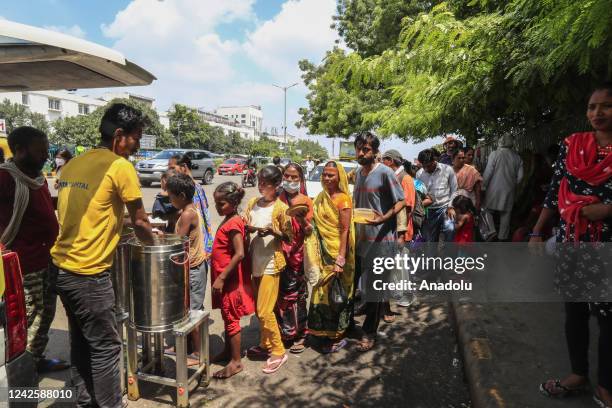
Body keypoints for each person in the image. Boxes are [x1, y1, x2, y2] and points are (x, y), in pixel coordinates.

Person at [51, 103, 155, 407]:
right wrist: (152, 244)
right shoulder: (119, 166)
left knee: (82, 345)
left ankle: (85, 403)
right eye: (136, 139)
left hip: (61, 270)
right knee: (107, 349)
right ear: (120, 136)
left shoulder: (74, 164)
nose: (136, 146)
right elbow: (140, 221)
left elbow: (91, 212)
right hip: (89, 275)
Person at [530, 83, 612, 407]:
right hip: (573, 240)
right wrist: (537, 230)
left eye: (606, 106)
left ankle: (606, 385)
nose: (597, 113)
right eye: (592, 107)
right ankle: (579, 374)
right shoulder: (573, 145)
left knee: (608, 318)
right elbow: (555, 188)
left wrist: (608, 210)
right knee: (574, 312)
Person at [0, 126, 67, 373]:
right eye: (39, 152)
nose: (45, 157)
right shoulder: (6, 178)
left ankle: (35, 360)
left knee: (45, 314)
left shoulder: (36, 178)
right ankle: (21, 372)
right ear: (19, 150)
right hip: (22, 265)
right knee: (26, 320)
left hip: (46, 260)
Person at [352, 132, 405, 352]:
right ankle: (346, 325)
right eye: (359, 148)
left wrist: (384, 218)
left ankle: (369, 332)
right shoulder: (357, 173)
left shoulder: (384, 173)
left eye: (366, 149)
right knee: (353, 286)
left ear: (375, 151)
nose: (361, 153)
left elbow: (401, 201)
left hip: (381, 242)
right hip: (359, 240)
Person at [243, 165, 292, 373]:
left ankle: (279, 351)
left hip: (272, 261)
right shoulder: (253, 202)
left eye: (266, 183)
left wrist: (275, 231)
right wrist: (250, 229)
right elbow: (244, 224)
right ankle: (265, 344)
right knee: (261, 308)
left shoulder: (280, 208)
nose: (261, 186)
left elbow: (289, 237)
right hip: (255, 259)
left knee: (264, 310)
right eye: (260, 182)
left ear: (276, 185)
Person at [307, 161, 355, 353]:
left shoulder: (343, 200)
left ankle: (337, 335)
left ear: (339, 177)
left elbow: (345, 230)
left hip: (337, 252)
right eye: (325, 174)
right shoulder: (320, 197)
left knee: (337, 295)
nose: (326, 178)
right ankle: (320, 331)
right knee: (320, 291)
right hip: (321, 253)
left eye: (331, 175)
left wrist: (340, 259)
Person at [210, 182, 255, 379]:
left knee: (231, 318)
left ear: (234, 203)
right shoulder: (230, 218)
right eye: (216, 204)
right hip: (224, 278)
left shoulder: (234, 222)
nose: (218, 208)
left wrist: (221, 277)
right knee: (226, 316)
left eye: (222, 204)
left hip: (228, 280)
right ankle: (228, 352)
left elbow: (239, 254)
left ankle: (236, 362)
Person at [166, 173, 208, 366]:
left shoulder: (187, 214)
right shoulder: (190, 209)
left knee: (193, 312)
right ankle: (182, 347)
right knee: (185, 310)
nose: (169, 199)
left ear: (181, 195)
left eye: (171, 195)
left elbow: (176, 244)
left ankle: (198, 353)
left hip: (194, 269)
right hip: (190, 268)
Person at [276, 163, 313, 353]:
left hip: (297, 257)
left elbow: (309, 231)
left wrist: (300, 218)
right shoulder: (277, 198)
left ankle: (301, 333)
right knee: (280, 297)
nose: (290, 180)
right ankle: (285, 333)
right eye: (287, 176)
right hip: (277, 255)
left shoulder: (306, 201)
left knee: (297, 297)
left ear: (301, 179)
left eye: (294, 177)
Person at [168, 153, 213, 290]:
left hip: (196, 255)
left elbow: (201, 222)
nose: (170, 172)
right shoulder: (195, 187)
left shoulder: (189, 191)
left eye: (172, 168)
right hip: (198, 252)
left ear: (183, 167)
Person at [381, 149, 416, 315]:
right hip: (392, 230)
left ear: (390, 161)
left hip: (401, 230)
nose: (381, 163)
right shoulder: (394, 176)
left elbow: (407, 207)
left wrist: (401, 233)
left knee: (401, 266)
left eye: (383, 160)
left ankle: (405, 296)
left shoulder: (406, 179)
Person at [481, 133, 524, 241]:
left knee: (487, 210)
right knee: (506, 214)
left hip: (493, 189)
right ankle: (502, 238)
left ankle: (491, 232)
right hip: (509, 190)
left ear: (501, 142)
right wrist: (512, 184)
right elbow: (520, 177)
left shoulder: (494, 154)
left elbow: (488, 173)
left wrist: (483, 186)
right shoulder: (517, 157)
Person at [416, 148, 457, 243]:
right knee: (430, 240)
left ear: (434, 160)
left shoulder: (447, 170)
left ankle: (449, 256)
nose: (426, 169)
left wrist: (451, 207)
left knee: (450, 230)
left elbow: (454, 189)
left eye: (429, 166)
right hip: (428, 211)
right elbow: (419, 194)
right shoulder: (419, 174)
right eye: (424, 166)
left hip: (445, 208)